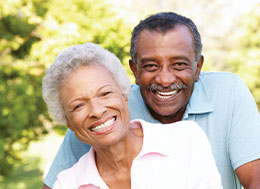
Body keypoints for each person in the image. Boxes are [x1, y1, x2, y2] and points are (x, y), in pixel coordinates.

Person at [43, 12, 260, 189]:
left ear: (198, 67)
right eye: (150, 66)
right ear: (134, 72)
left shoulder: (224, 96)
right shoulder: (102, 114)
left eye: (179, 65)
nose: (165, 80)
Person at [42, 42, 222, 189]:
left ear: (123, 95)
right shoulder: (66, 184)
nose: (97, 111)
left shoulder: (186, 140)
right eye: (79, 105)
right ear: (68, 123)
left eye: (105, 94)